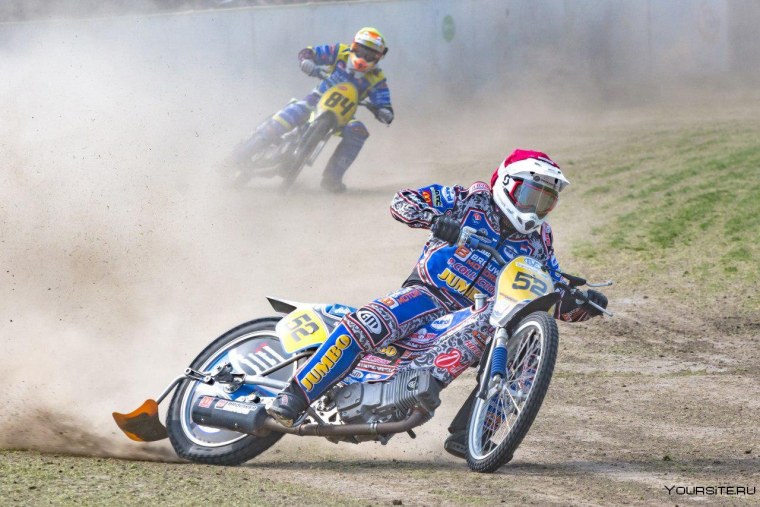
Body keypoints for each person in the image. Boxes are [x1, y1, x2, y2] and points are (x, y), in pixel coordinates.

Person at [267, 149, 608, 455]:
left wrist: (580, 304)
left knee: (526, 352)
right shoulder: (469, 200)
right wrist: (436, 221)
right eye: (531, 196)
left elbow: (547, 289)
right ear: (507, 185)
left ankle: (473, 433)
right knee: (368, 322)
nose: (535, 208)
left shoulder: (541, 239)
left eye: (545, 202)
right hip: (429, 293)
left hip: (481, 313)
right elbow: (402, 202)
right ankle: (295, 396)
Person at [234, 27, 394, 192]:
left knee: (358, 131)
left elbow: (385, 105)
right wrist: (307, 61)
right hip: (313, 102)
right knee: (285, 117)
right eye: (360, 51)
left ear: (379, 57)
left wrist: (384, 112)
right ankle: (236, 157)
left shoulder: (377, 79)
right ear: (353, 46)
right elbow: (309, 52)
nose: (363, 57)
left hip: (343, 117)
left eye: (370, 55)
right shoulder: (340, 52)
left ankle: (332, 178)